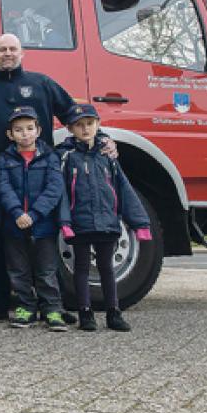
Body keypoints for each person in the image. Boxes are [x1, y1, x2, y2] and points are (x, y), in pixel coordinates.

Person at [0, 32, 109, 321]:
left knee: (45, 247)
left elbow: (75, 116)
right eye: (2, 49)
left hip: (40, 176)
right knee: (2, 244)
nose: (8, 53)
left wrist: (102, 139)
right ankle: (2, 302)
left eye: (13, 49)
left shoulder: (42, 84)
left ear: (22, 53)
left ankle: (53, 306)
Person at [57, 104, 151, 332]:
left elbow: (123, 188)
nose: (85, 129)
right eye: (79, 125)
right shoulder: (66, 157)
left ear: (98, 125)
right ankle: (85, 313)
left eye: (90, 124)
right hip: (79, 224)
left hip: (108, 223)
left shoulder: (108, 156)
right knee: (81, 268)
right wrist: (64, 222)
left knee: (106, 268)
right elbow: (60, 193)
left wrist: (140, 223)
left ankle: (113, 312)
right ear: (70, 129)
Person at [0, 106, 66, 331]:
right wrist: (17, 213)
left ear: (39, 130)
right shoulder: (5, 159)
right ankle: (26, 307)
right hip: (14, 225)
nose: (24, 134)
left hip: (43, 225)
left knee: (46, 270)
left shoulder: (50, 157)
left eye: (29, 128)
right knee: (18, 270)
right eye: (18, 130)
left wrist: (34, 214)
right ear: (10, 135)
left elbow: (54, 188)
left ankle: (53, 309)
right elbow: (3, 187)